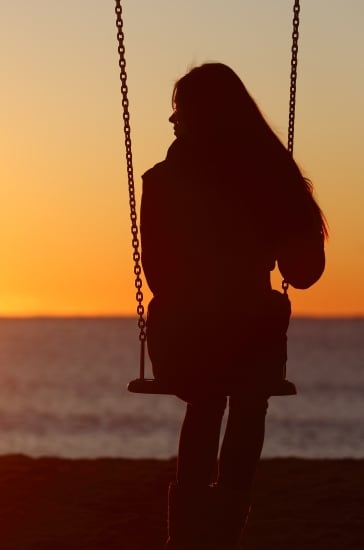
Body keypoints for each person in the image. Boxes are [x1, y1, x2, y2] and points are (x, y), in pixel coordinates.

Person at [140, 63, 327, 549]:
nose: (172, 120)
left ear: (202, 116)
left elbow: (158, 274)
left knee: (206, 402)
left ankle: (185, 539)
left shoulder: (163, 181)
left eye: (179, 110)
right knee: (247, 400)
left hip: (185, 337)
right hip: (245, 337)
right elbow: (304, 273)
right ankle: (221, 535)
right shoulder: (268, 175)